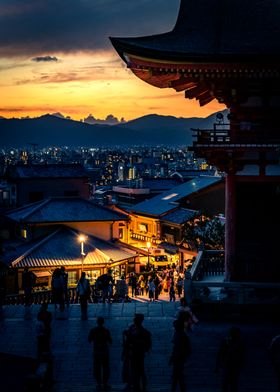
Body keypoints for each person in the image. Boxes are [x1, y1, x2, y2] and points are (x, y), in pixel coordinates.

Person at [122, 313, 151, 392]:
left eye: (136, 319)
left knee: (139, 370)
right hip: (133, 353)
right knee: (134, 370)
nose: (134, 320)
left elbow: (137, 342)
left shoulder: (143, 332)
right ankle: (134, 385)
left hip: (138, 353)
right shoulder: (133, 328)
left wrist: (129, 337)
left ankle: (139, 386)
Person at [215, 326, 246, 392]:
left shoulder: (238, 343)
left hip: (232, 365)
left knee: (230, 383)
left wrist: (217, 365)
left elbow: (220, 354)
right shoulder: (229, 342)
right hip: (230, 364)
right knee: (230, 383)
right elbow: (220, 353)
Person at [88, 316, 112, 391]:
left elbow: (89, 339)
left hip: (97, 351)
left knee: (97, 368)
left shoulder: (93, 330)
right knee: (105, 368)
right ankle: (105, 383)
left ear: (97, 322)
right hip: (104, 351)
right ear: (103, 322)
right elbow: (110, 341)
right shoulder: (106, 330)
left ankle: (98, 383)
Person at [169, 313, 192, 392]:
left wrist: (180, 356)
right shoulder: (178, 333)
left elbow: (184, 349)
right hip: (177, 358)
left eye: (175, 327)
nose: (174, 328)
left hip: (179, 358)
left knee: (178, 376)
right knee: (176, 376)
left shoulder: (181, 335)